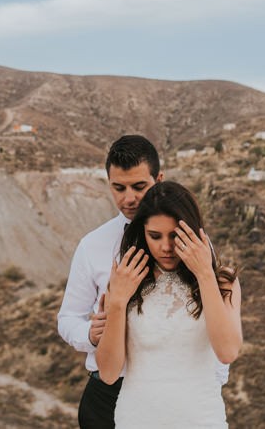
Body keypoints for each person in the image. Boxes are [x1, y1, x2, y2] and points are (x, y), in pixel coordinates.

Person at [96, 181, 242, 428]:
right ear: (142, 232)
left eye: (175, 236)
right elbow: (108, 374)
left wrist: (204, 273)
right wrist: (118, 302)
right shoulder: (124, 283)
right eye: (155, 236)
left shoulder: (222, 281)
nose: (165, 247)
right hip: (135, 420)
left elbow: (227, 352)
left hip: (201, 421)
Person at [57, 135, 164, 428]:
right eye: (119, 188)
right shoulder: (92, 245)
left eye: (139, 186)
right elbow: (67, 318)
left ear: (159, 179)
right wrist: (90, 334)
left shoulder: (186, 243)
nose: (128, 198)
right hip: (107, 398)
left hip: (168, 396)